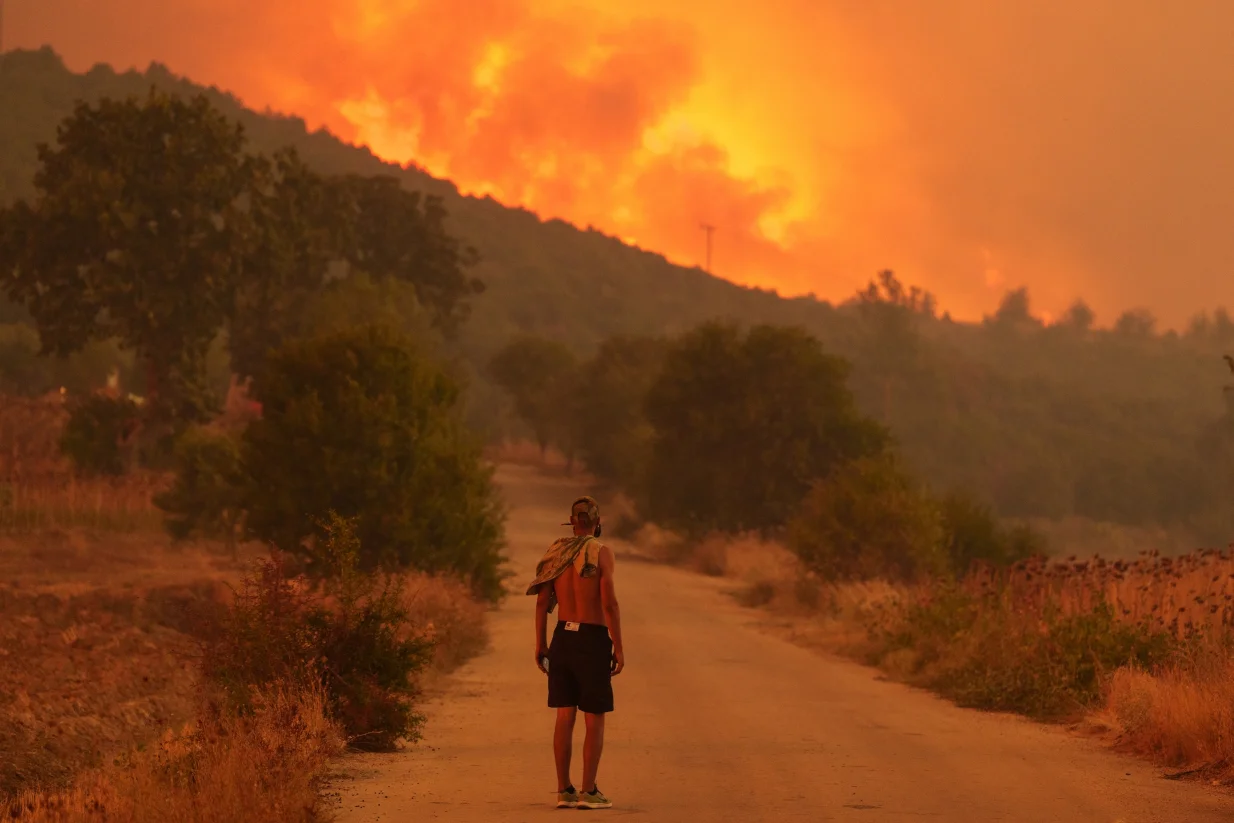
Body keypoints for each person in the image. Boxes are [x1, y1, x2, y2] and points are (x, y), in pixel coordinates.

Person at [526, 496, 624, 810]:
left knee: (564, 715)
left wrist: (540, 643)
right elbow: (608, 603)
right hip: (592, 639)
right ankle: (589, 790)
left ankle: (564, 790)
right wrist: (618, 647)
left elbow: (542, 602)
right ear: (597, 523)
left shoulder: (556, 552)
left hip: (562, 638)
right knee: (593, 718)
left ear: (571, 522)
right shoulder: (601, 552)